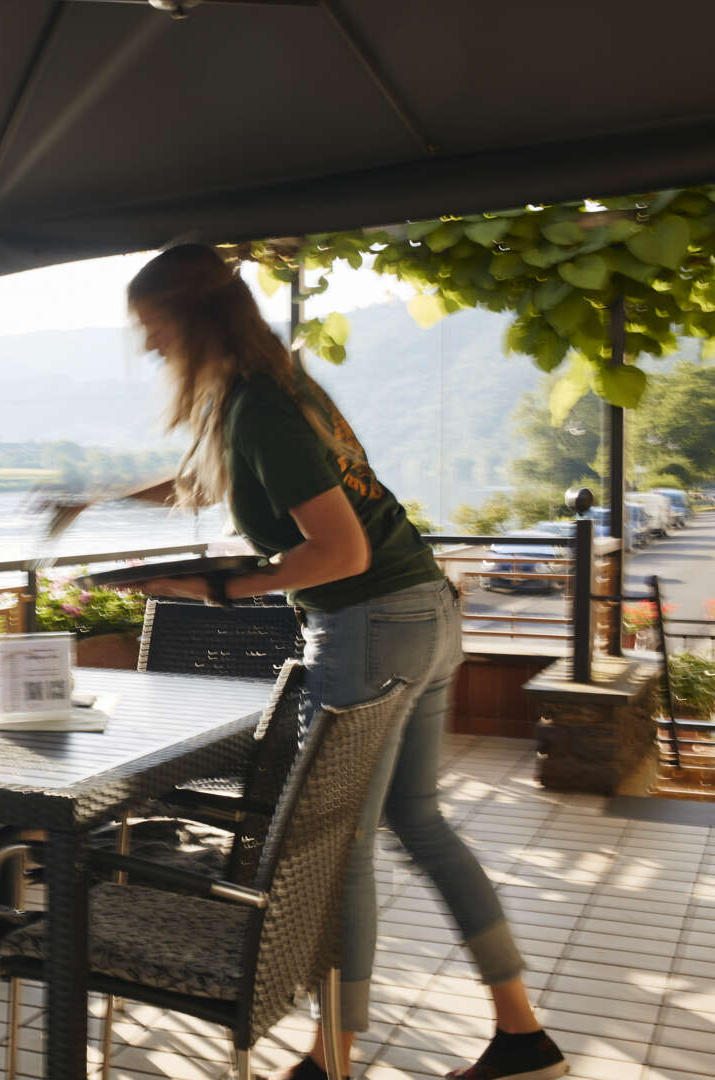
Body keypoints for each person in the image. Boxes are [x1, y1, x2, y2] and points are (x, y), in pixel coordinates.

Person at [52, 244, 566, 1080]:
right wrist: (102, 500)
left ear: (193, 319)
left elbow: (340, 550)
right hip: (425, 611)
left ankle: (333, 1058)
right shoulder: (275, 389)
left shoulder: (260, 407)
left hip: (367, 623)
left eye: (154, 328)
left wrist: (218, 589)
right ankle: (522, 1036)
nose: (150, 348)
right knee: (419, 823)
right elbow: (205, 484)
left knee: (340, 844)